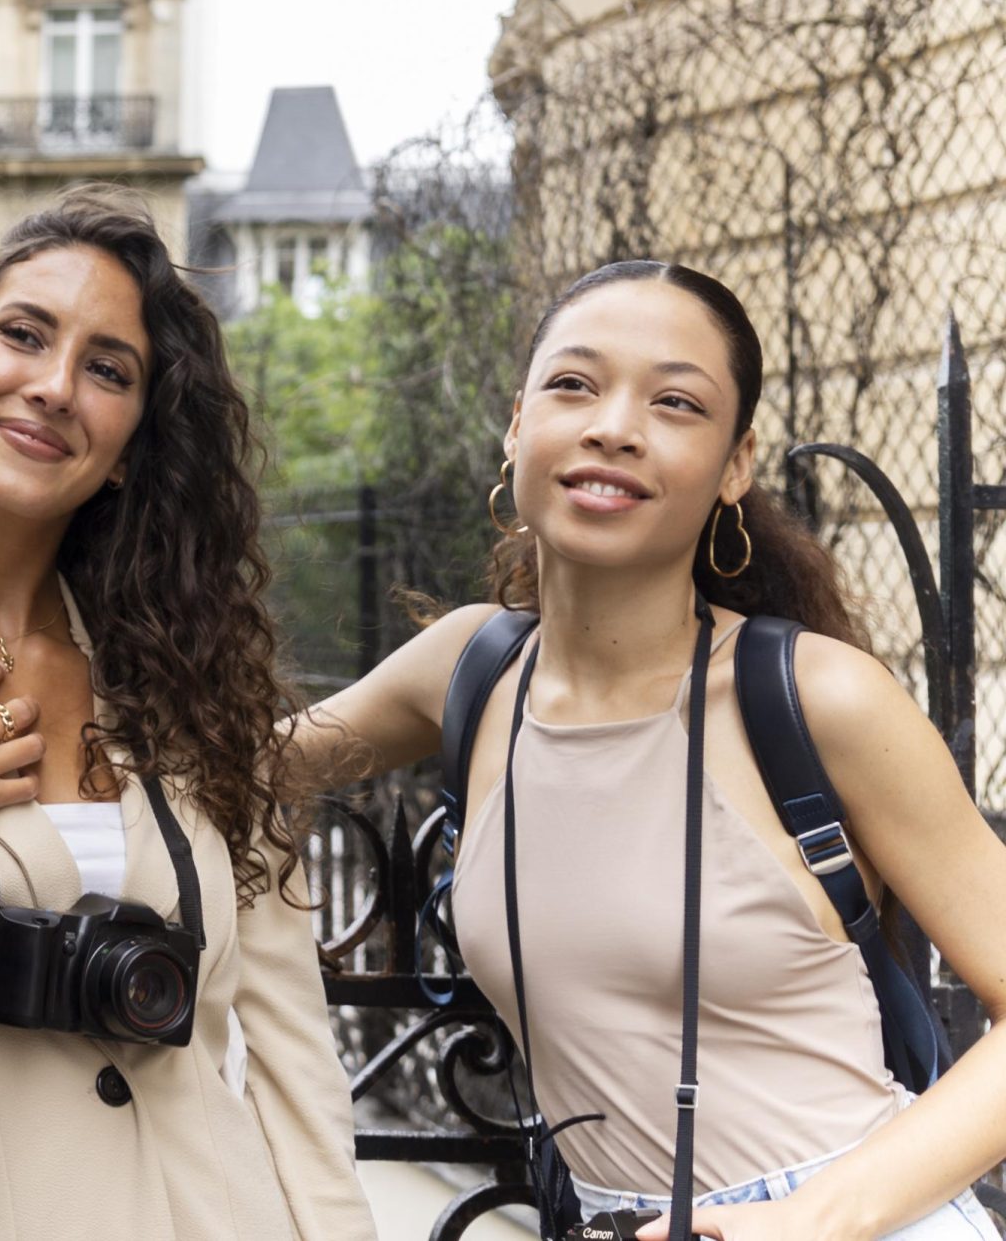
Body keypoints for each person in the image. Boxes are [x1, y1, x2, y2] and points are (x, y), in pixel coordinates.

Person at [291, 261, 1006, 1240]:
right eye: (574, 384)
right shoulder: (469, 668)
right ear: (515, 425)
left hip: (852, 1219)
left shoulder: (815, 696)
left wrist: (809, 1221)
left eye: (674, 402)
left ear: (734, 465)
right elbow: (227, 767)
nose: (613, 426)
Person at [0, 186, 376, 1240]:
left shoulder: (189, 689)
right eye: (23, 336)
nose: (53, 387)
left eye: (107, 370)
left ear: (128, 446)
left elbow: (294, 1059)